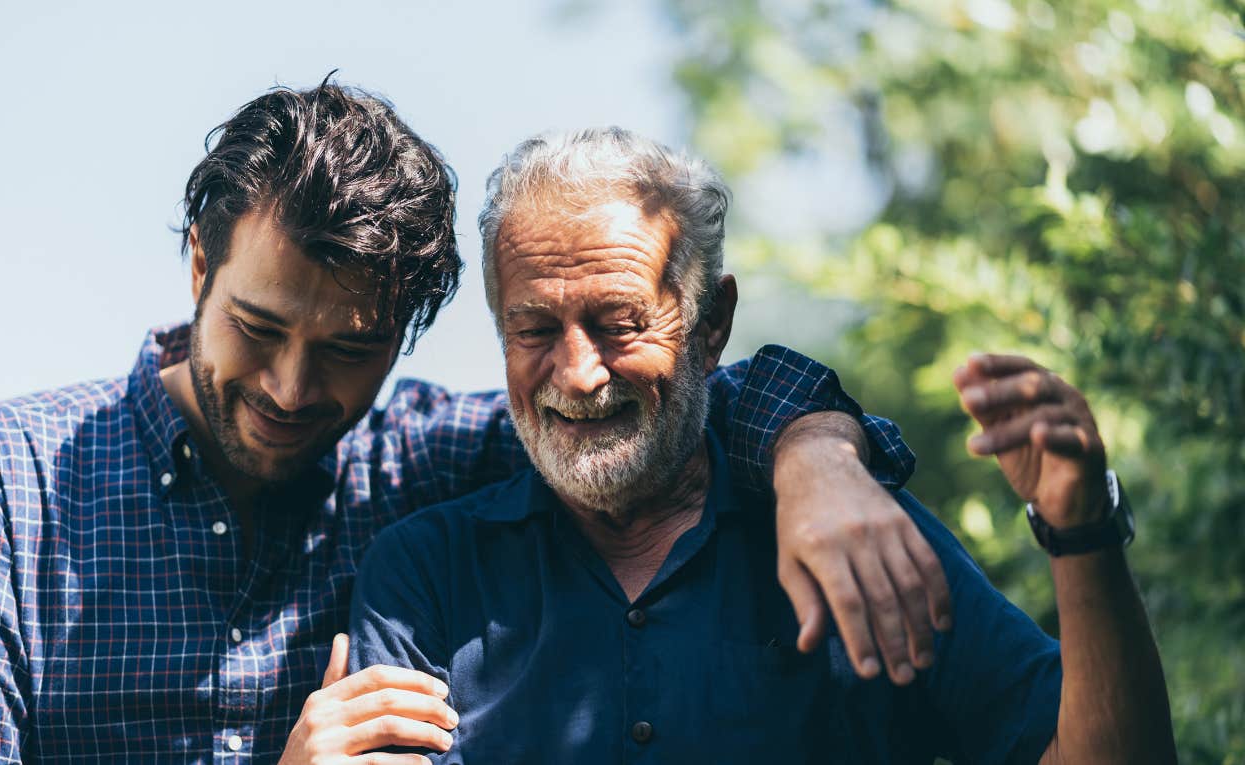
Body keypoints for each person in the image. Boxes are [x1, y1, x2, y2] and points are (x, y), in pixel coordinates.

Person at [0, 79, 948, 764]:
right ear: (199, 268)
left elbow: (667, 398)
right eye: (258, 328)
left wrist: (818, 456)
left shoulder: (421, 466)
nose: (295, 390)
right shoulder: (1, 484)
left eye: (349, 349)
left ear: (406, 336)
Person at [348, 127, 1177, 763]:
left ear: (712, 325)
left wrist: (1082, 530)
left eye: (620, 324)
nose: (577, 372)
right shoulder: (424, 574)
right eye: (533, 328)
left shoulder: (855, 527)